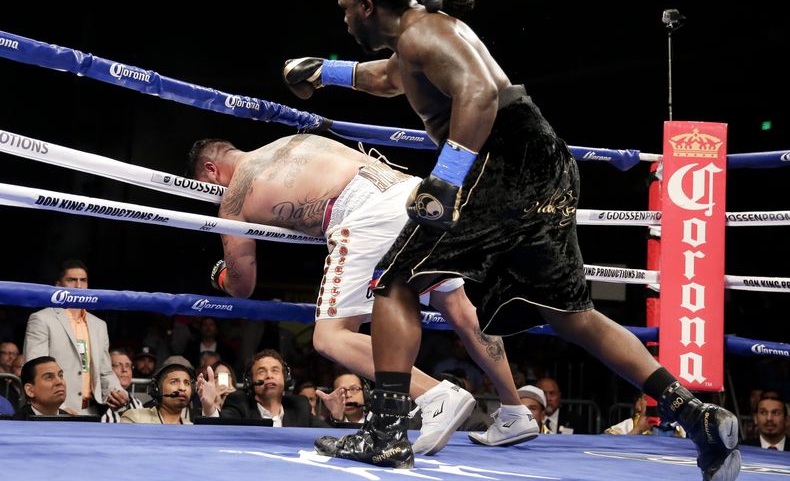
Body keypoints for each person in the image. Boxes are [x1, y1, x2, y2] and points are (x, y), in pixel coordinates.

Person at [279, 0, 741, 481]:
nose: (343, 21)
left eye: (343, 10)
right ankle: (695, 414)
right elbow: (388, 80)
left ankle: (385, 433)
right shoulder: (420, 41)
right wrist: (322, 71)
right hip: (541, 161)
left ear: (365, 5)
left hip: (502, 161)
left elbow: (478, 93)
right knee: (571, 314)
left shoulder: (422, 33)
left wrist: (445, 180)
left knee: (394, 283)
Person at [189, 135, 536, 453]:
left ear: (211, 169)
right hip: (412, 191)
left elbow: (242, 284)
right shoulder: (293, 140)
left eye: (207, 186)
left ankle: (435, 395)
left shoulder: (235, 193)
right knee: (457, 306)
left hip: (365, 214)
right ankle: (514, 412)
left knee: (330, 337)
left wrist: (220, 274)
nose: (213, 193)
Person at [23, 260, 126, 415]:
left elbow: (104, 372)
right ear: (58, 286)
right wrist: (60, 410)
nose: (78, 286)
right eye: (72, 280)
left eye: (83, 280)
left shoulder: (99, 325)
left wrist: (117, 392)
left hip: (92, 411)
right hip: (54, 411)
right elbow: (35, 370)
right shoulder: (42, 319)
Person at [197, 349, 327, 427]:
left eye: (275, 370)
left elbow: (328, 435)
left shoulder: (299, 406)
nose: (269, 376)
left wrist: (337, 417)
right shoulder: (239, 402)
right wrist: (209, 407)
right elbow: (220, 428)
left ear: (285, 378)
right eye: (261, 371)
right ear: (250, 381)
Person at [121, 356, 195, 424]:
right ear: (157, 389)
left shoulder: (191, 427)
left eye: (187, 383)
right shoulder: (135, 418)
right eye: (174, 382)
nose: (182, 388)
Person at [101, 348, 144, 423]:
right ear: (106, 370)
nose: (124, 370)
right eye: (117, 365)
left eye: (128, 366)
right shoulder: (97, 398)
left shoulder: (137, 403)